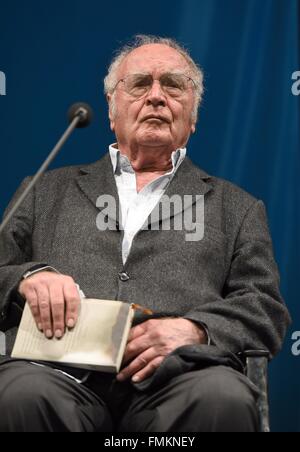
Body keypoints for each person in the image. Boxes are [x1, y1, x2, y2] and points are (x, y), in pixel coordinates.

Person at [0, 35, 291, 432]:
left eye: (173, 85)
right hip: (55, 376)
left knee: (223, 397)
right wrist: (26, 278)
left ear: (193, 117)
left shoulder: (236, 207)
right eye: (139, 84)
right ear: (111, 109)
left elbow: (265, 307)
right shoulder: (42, 191)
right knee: (21, 393)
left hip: (180, 381)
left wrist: (197, 330)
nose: (156, 96)